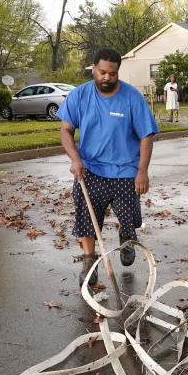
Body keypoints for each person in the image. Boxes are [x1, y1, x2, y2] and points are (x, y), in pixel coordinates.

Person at [57, 48, 159, 286]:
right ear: (93, 68)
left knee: (129, 217)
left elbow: (146, 136)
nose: (107, 77)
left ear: (117, 73)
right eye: (102, 72)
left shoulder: (132, 97)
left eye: (112, 74)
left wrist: (142, 171)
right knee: (87, 218)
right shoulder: (79, 96)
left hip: (124, 169)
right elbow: (65, 129)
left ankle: (126, 237)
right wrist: (75, 159)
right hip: (90, 168)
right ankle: (89, 262)